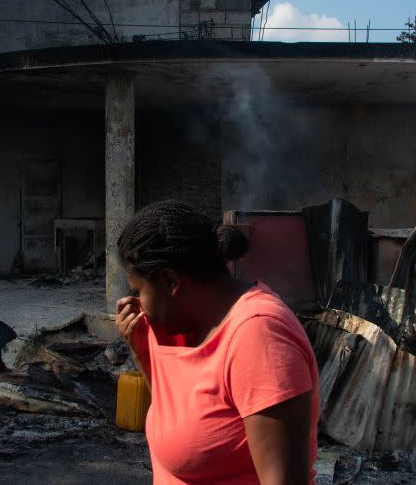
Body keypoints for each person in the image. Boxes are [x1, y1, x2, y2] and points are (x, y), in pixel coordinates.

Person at [115, 200, 319, 484]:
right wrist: (142, 353)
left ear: (170, 282)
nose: (134, 302)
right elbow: (181, 417)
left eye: (137, 290)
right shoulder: (182, 324)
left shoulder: (259, 337)